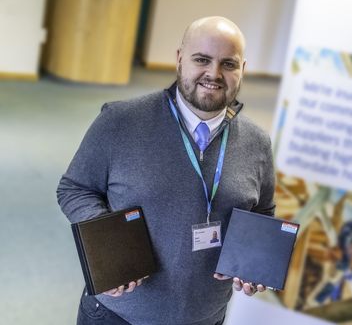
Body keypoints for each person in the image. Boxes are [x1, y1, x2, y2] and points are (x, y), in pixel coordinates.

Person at [57, 16, 275, 325]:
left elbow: (262, 210)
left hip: (204, 317)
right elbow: (74, 188)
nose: (213, 74)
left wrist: (254, 264)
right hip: (118, 315)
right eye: (202, 60)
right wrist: (107, 239)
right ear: (179, 59)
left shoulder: (258, 143)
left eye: (228, 64)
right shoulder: (120, 121)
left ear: (242, 70)